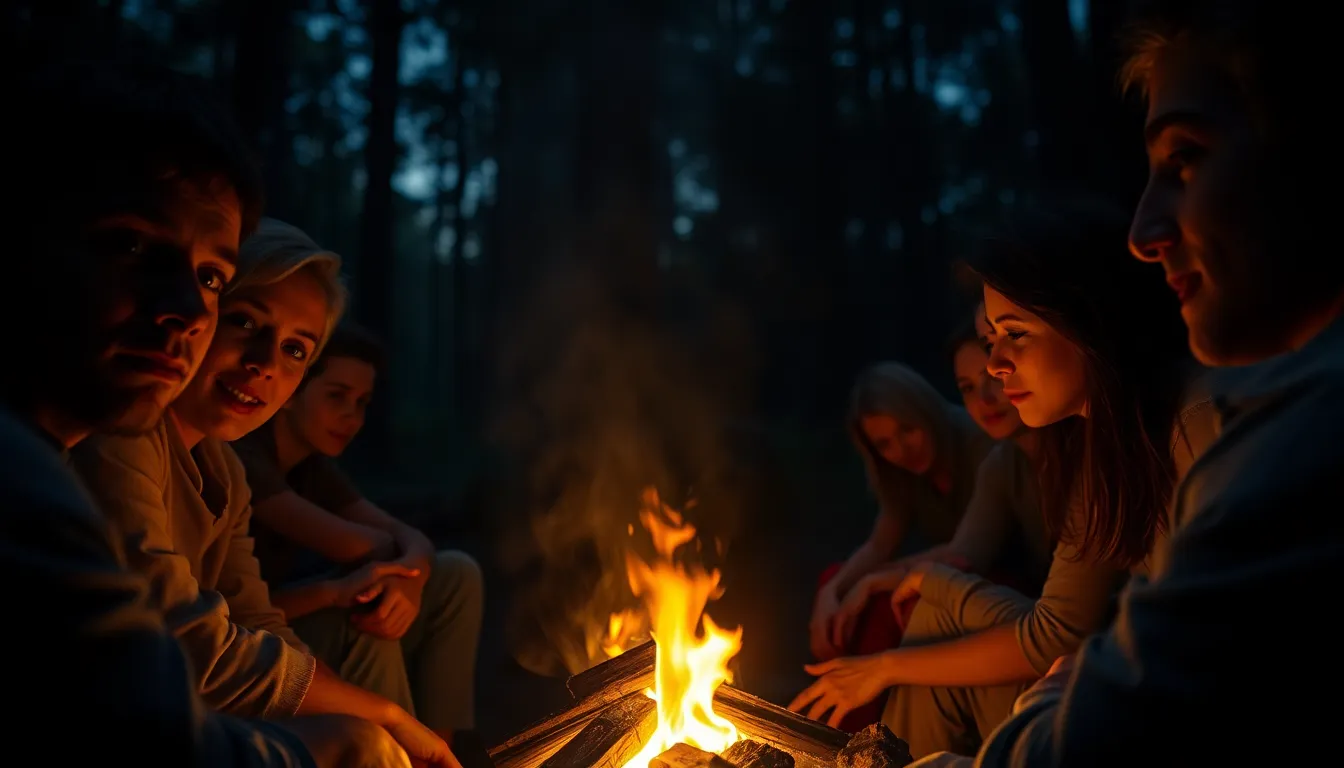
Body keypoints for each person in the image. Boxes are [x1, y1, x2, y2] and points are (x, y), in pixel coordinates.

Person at [4, 56, 410, 767]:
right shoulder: (53, 471)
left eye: (210, 277)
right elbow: (165, 696)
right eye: (131, 245)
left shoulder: (219, 469)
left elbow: (249, 620)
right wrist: (361, 734)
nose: (188, 310)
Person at [967, 3, 1344, 765]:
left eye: (1185, 159)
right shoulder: (1112, 442)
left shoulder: (1267, 440)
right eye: (988, 342)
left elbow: (1083, 729)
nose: (1143, 234)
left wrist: (1052, 691)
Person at [790, 198, 1219, 758]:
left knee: (939, 629)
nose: (996, 367)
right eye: (992, 340)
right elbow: (1062, 625)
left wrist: (1082, 684)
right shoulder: (1102, 445)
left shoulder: (1198, 425)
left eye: (1015, 335)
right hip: (1106, 682)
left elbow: (1201, 653)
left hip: (1148, 710)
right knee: (932, 624)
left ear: (1092, 324)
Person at [71, 218, 460, 768]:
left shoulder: (225, 471)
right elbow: (189, 644)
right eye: (246, 322)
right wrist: (387, 717)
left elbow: (259, 618)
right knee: (364, 739)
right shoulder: (120, 439)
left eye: (296, 351)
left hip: (186, 707)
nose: (264, 363)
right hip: (120, 716)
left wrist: (381, 719)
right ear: (198, 319)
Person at [232, 321, 484, 745]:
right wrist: (393, 570)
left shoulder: (312, 468)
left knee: (457, 572)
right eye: (336, 396)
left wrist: (415, 579)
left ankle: (440, 748)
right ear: (291, 391)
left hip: (285, 616)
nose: (352, 416)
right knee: (371, 617)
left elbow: (410, 540)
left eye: (362, 402)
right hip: (245, 644)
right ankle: (406, 752)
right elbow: (372, 543)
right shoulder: (246, 456)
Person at [810, 363, 996, 664]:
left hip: (995, 575)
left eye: (908, 430)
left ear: (927, 412)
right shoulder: (900, 472)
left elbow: (965, 552)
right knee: (835, 580)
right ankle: (833, 687)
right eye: (884, 444)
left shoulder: (979, 443)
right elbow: (880, 544)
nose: (901, 451)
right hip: (946, 571)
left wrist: (872, 580)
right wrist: (830, 592)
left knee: (890, 599)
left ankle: (863, 695)